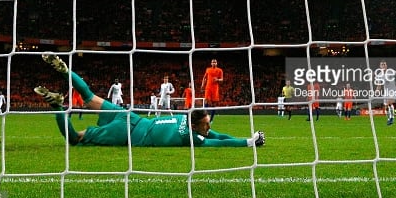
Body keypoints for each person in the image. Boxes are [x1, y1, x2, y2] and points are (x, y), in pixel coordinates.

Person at [35, 54, 265, 147]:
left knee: (89, 97)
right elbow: (218, 143)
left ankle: (66, 71)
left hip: (129, 116)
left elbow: (219, 135)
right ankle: (57, 105)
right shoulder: (190, 137)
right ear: (196, 125)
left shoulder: (187, 120)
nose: (210, 126)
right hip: (128, 133)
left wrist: (249, 137)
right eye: (207, 123)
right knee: (75, 139)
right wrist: (248, 144)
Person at [201, 59, 223, 123]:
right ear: (211, 63)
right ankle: (205, 117)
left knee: (214, 104)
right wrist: (202, 84)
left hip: (215, 88)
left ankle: (211, 119)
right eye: (213, 62)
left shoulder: (220, 70)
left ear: (216, 63)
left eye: (215, 62)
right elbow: (204, 77)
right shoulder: (208, 69)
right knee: (206, 101)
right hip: (208, 87)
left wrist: (217, 80)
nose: (214, 63)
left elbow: (222, 79)